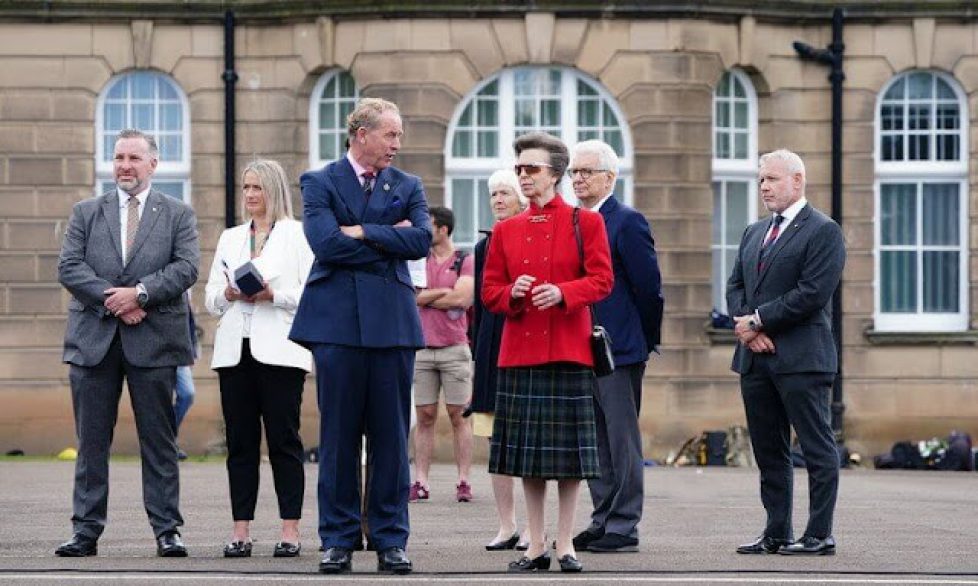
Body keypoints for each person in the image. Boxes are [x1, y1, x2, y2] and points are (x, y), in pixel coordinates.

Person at [290, 97, 431, 576]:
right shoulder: (320, 181)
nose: (397, 144)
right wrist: (387, 237)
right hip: (337, 326)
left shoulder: (408, 185)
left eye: (399, 135)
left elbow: (420, 240)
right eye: (391, 134)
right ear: (361, 134)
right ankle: (338, 539)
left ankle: (391, 539)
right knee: (338, 438)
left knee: (391, 439)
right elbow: (326, 244)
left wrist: (361, 231)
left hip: (392, 327)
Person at [55, 128, 199, 558]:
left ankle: (167, 530)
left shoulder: (178, 214)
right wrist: (115, 301)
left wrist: (140, 294)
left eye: (134, 158)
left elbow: (186, 267)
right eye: (119, 158)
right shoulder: (85, 212)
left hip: (154, 342)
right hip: (93, 342)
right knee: (91, 442)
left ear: (153, 164)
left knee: (159, 442)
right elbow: (69, 267)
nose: (124, 166)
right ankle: (85, 531)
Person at [482, 131, 613, 573]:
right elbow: (489, 293)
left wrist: (563, 293)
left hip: (569, 350)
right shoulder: (505, 230)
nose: (523, 176)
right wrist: (513, 294)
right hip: (519, 354)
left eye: (532, 168)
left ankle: (566, 543)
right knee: (529, 460)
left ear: (555, 174)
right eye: (519, 168)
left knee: (569, 461)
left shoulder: (586, 222)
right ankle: (535, 545)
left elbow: (602, 280)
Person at [726, 149, 846, 557]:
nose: (764, 187)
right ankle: (776, 532)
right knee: (768, 451)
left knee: (817, 448)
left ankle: (819, 534)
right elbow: (735, 286)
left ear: (797, 180)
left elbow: (812, 293)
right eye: (761, 179)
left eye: (772, 179)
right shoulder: (753, 232)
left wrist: (758, 320)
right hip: (756, 358)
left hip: (802, 360)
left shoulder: (824, 231)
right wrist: (749, 331)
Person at [205, 159, 314, 559]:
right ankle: (241, 530)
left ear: (274, 190)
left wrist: (273, 295)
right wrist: (228, 293)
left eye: (257, 187)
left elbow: (310, 292)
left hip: (280, 350)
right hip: (235, 351)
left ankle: (290, 529)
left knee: (284, 440)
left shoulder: (297, 235)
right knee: (240, 443)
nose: (250, 195)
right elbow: (210, 297)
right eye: (246, 187)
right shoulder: (231, 237)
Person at [570, 140, 663, 554]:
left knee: (621, 439)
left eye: (586, 171)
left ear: (609, 178)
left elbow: (649, 288)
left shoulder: (626, 221)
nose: (578, 179)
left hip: (619, 348)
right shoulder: (573, 221)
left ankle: (624, 524)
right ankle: (602, 518)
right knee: (595, 440)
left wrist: (641, 338)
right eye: (574, 172)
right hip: (578, 346)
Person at [469, 169, 530, 551]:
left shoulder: (530, 237)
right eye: (494, 194)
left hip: (523, 345)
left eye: (505, 192)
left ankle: (533, 526)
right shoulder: (483, 247)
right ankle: (507, 525)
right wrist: (476, 354)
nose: (498, 200)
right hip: (491, 350)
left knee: (528, 440)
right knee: (495, 440)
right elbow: (479, 307)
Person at [410, 206, 475, 504]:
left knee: (459, 415)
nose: (424, 230)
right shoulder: (419, 260)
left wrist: (427, 296)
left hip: (454, 348)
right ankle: (421, 481)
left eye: (429, 225)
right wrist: (441, 293)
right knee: (425, 416)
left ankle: (464, 480)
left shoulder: (464, 259)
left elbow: (462, 297)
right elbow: (411, 297)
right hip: (422, 348)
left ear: (443, 229)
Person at [173, 296, 198, 461]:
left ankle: (168, 436)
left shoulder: (186, 292)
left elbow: (190, 322)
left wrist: (191, 352)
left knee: (187, 394)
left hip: (181, 353)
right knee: (160, 401)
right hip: (158, 351)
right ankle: (167, 442)